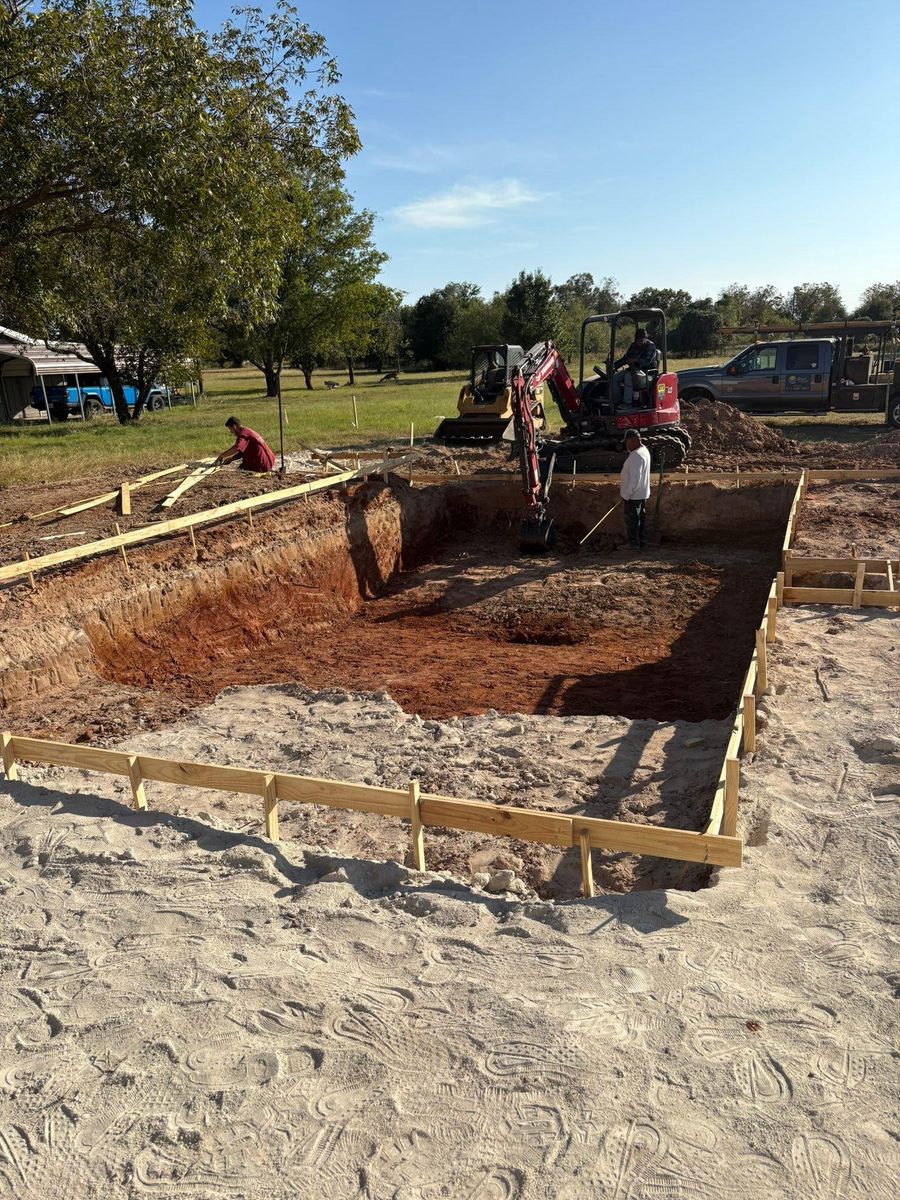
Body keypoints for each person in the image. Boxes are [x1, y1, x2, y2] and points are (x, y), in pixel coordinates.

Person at [619, 429, 651, 549]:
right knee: (640, 520)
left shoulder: (636, 456)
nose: (626, 445)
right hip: (641, 494)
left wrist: (626, 495)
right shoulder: (644, 451)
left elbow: (634, 480)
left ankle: (633, 544)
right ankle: (641, 542)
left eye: (627, 442)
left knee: (632, 521)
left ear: (633, 440)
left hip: (633, 496)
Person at [613, 328, 660, 408]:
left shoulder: (651, 346)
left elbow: (646, 362)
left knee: (628, 376)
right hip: (634, 369)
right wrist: (614, 365)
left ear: (645, 339)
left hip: (646, 372)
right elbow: (626, 358)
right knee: (615, 378)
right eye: (637, 340)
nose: (639, 342)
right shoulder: (633, 345)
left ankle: (627, 403)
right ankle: (616, 402)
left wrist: (634, 359)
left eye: (641, 340)